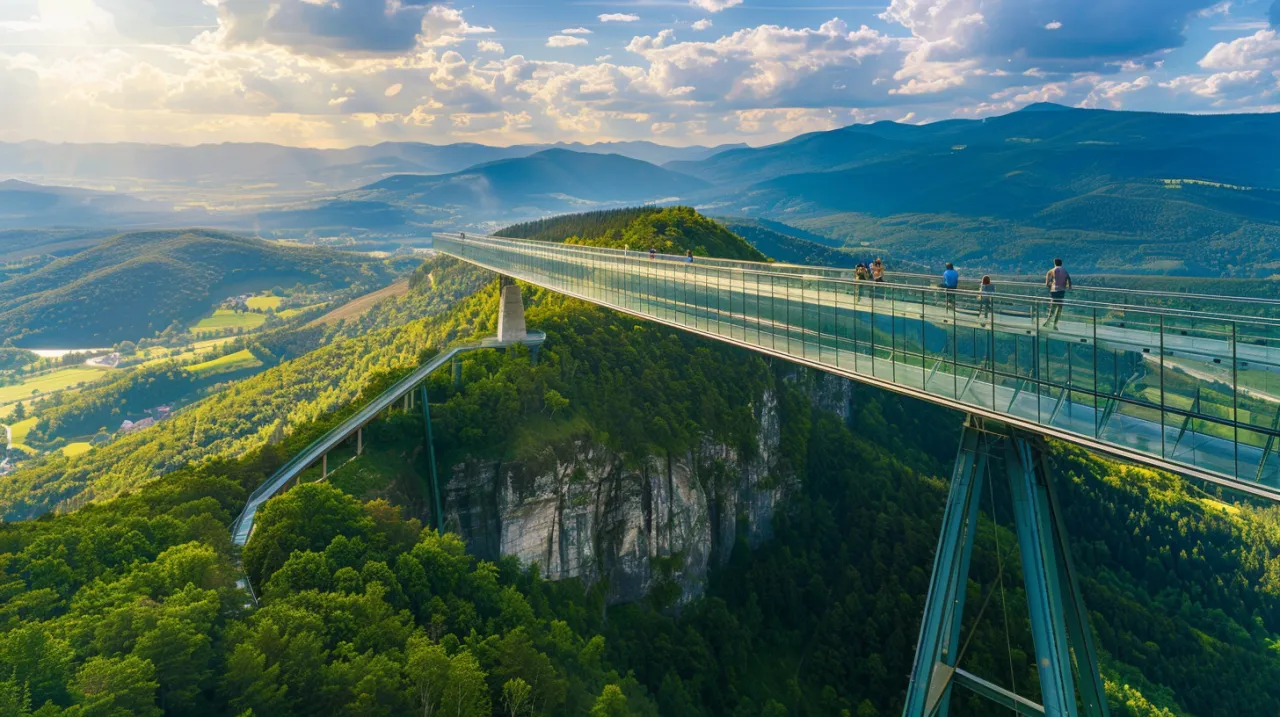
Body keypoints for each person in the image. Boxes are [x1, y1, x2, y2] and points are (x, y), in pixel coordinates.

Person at [1044, 258, 1071, 329]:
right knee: (1059, 308)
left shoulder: (1052, 271)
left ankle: (1048, 321)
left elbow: (1047, 283)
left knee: (1053, 307)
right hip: (1062, 291)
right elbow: (1069, 279)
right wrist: (1068, 286)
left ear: (1055, 263)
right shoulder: (1064, 271)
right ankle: (1055, 324)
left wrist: (1050, 286)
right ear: (1061, 263)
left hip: (1054, 290)